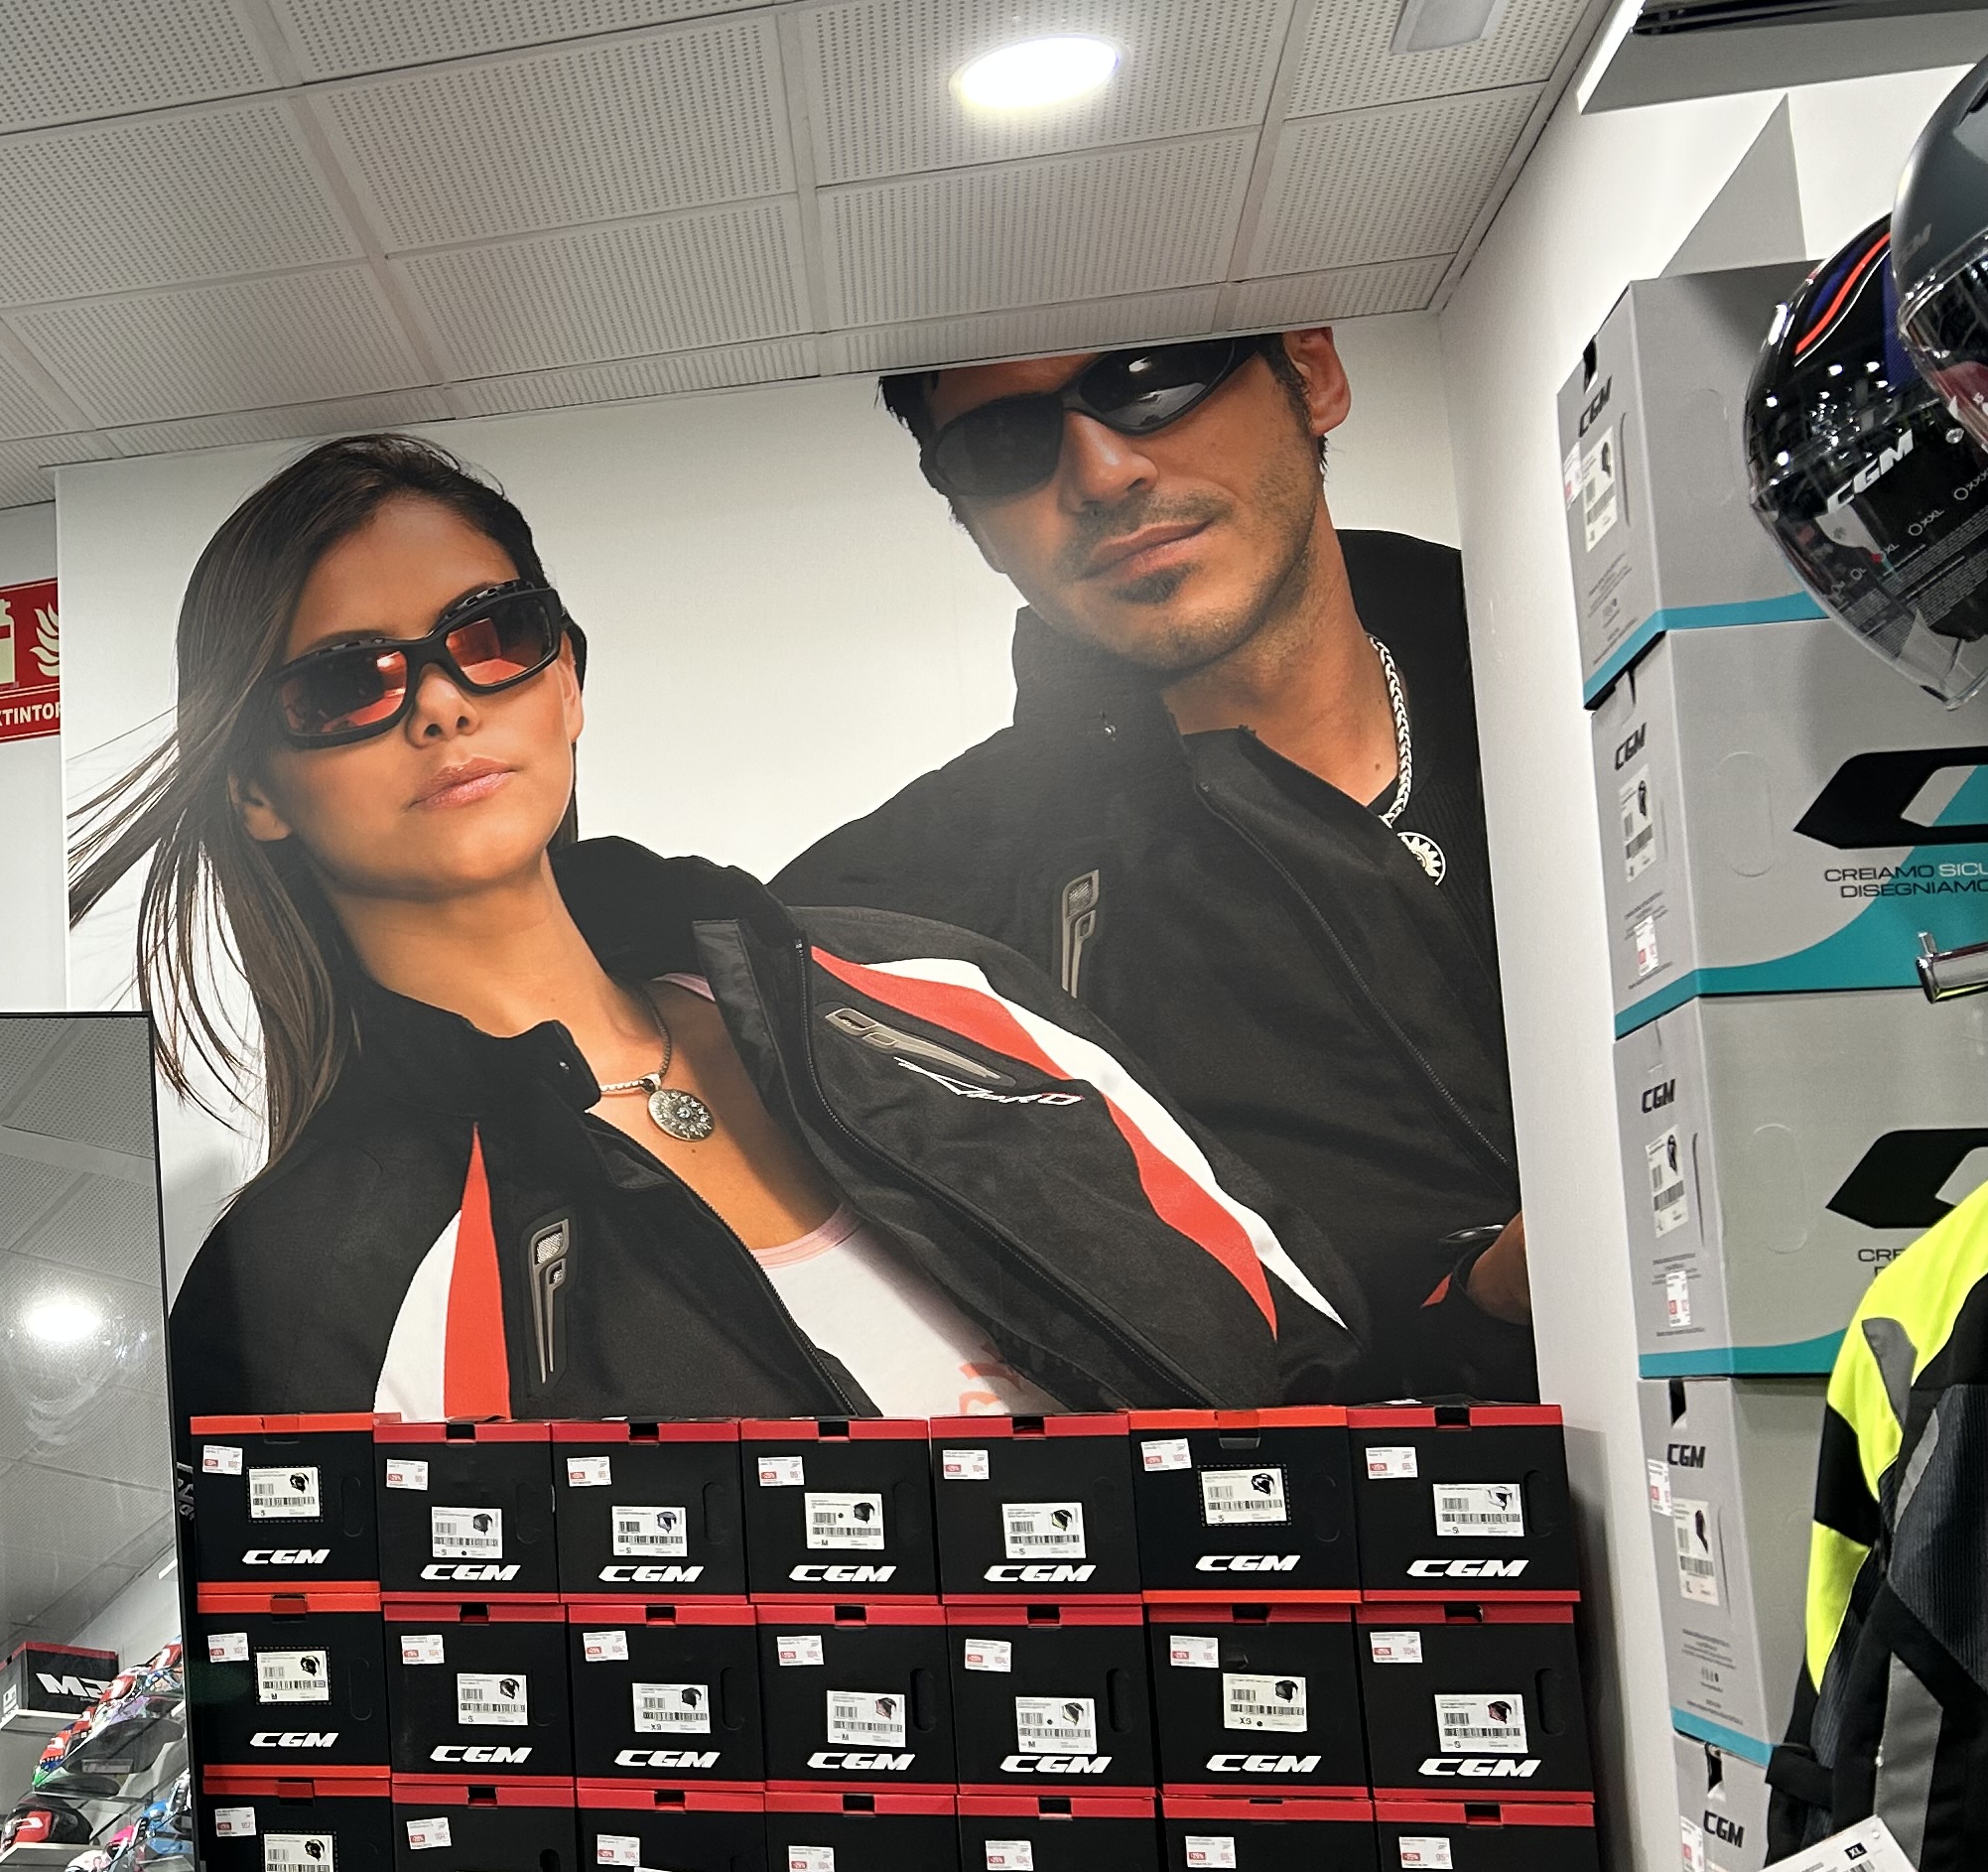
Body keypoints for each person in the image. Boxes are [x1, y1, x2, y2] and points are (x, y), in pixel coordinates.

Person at [71, 435, 1353, 1421]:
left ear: (567, 683)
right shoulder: (301, 1290)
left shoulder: (949, 987)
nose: (444, 704)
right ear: (255, 790)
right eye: (347, 682)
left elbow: (1322, 1376)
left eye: (491, 633)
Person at [775, 332, 1528, 1401]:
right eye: (1002, 445)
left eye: (1151, 384)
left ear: (1311, 374)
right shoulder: (892, 924)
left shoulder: (1629, 678)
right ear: (969, 518)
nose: (1102, 473)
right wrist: (1485, 1306)